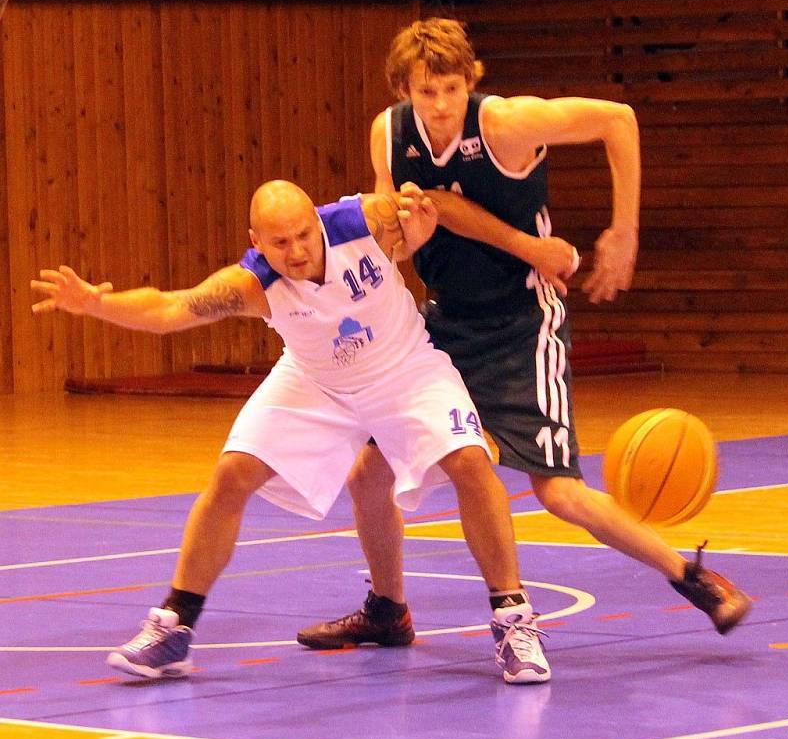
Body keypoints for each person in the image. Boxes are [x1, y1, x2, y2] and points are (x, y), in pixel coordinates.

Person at [296, 18, 751, 667]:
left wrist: (624, 231)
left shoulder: (506, 123)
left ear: (471, 81)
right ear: (405, 90)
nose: (443, 105)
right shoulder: (389, 134)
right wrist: (390, 261)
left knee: (559, 494)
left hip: (520, 320)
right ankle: (387, 610)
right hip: (445, 321)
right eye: (427, 92)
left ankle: (692, 578)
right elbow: (401, 231)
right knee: (368, 473)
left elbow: (618, 119)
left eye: (452, 88)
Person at [31, 179, 579, 684]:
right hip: (317, 381)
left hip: (405, 369)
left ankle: (514, 620)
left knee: (468, 461)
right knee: (232, 473)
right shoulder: (254, 284)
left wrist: (423, 225)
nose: (295, 252)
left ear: (318, 223)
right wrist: (97, 305)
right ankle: (174, 625)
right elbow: (173, 308)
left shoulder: (365, 220)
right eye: (278, 243)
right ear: (256, 242)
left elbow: (429, 202)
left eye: (302, 236)